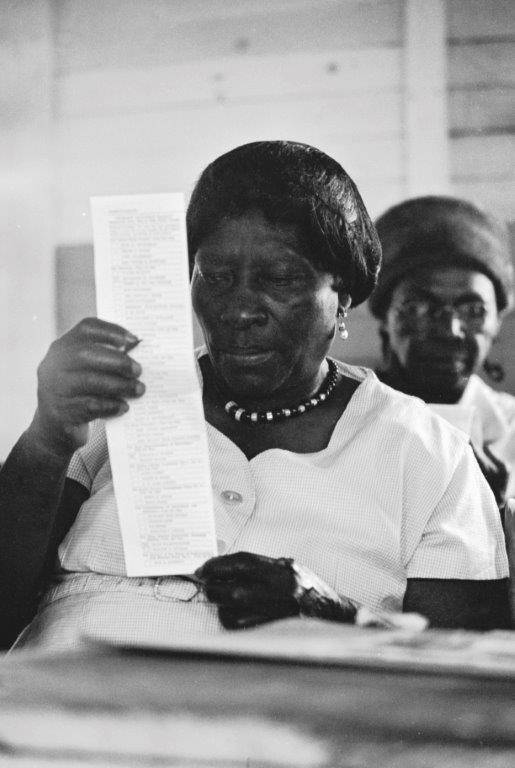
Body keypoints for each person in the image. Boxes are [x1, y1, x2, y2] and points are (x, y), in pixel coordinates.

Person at [0, 142, 509, 652]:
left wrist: (330, 613)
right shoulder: (116, 401)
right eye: (215, 277)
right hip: (58, 709)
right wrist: (49, 435)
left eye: (281, 279)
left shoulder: (428, 453)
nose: (239, 310)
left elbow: (463, 667)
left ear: (344, 296)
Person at [369, 196, 515, 506]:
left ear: (497, 322)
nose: (449, 330)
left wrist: (497, 505)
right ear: (384, 317)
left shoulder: (510, 428)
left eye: (473, 310)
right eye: (420, 307)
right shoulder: (341, 417)